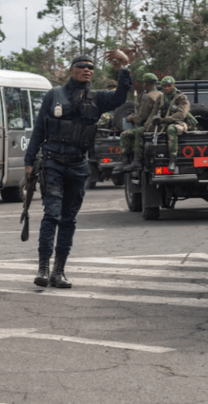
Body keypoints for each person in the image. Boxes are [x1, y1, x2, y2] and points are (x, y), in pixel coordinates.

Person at [25, 51, 132, 288]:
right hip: (53, 161)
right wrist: (29, 160)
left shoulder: (99, 97)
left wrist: (124, 67)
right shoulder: (54, 95)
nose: (87, 70)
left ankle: (58, 271)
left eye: (91, 67)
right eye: (82, 66)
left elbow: (121, 96)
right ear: (71, 70)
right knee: (52, 214)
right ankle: (43, 268)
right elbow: (39, 129)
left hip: (78, 164)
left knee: (69, 219)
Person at [114, 72, 162, 174]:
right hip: (160, 125)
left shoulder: (148, 96)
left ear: (146, 84)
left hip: (150, 126)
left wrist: (130, 118)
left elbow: (141, 117)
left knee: (125, 135)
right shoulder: (161, 94)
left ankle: (128, 161)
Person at [143, 76, 190, 172]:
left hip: (178, 123)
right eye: (164, 86)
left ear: (174, 85)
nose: (167, 88)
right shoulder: (160, 97)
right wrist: (148, 126)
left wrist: (164, 120)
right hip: (163, 123)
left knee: (171, 129)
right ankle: (145, 162)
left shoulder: (181, 97)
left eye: (169, 86)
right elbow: (154, 113)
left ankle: (173, 159)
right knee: (142, 132)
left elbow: (181, 115)